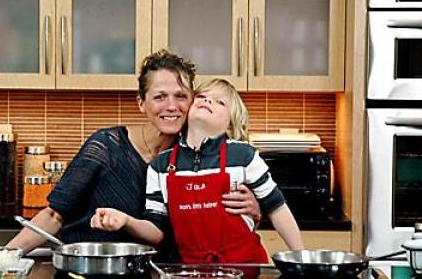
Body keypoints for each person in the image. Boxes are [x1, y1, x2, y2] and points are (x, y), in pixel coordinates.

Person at [7, 51, 262, 259]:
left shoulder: (200, 160)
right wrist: (5, 258)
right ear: (141, 103)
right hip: (90, 273)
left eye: (181, 96)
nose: (171, 106)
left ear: (193, 101)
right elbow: (54, 215)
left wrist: (254, 209)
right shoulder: (106, 146)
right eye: (160, 97)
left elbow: (219, 224)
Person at [90, 78, 304, 264]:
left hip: (243, 270)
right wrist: (126, 221)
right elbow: (156, 232)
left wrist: (301, 258)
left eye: (220, 102)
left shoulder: (244, 156)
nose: (208, 101)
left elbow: (277, 209)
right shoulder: (160, 166)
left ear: (230, 125)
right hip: (189, 274)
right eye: (201, 97)